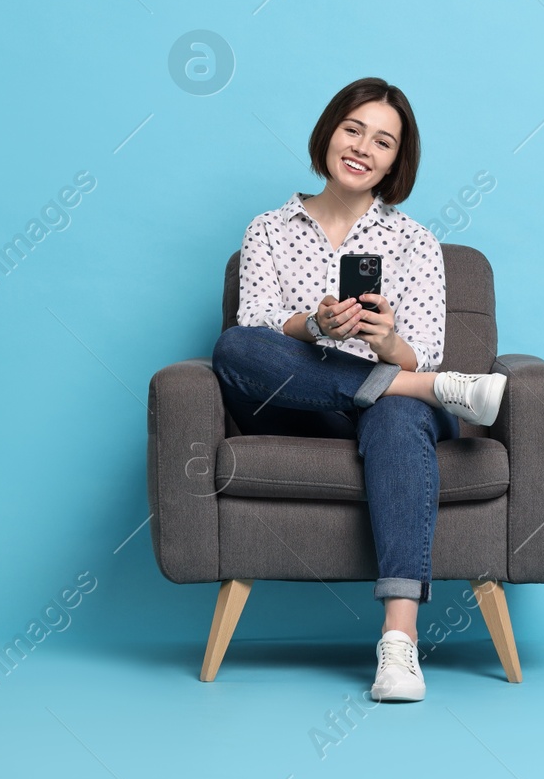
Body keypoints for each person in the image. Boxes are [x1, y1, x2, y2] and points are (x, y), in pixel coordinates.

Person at [210, 77, 506, 703]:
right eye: (353, 129)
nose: (363, 148)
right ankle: (435, 391)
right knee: (236, 346)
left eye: (384, 142)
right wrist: (314, 325)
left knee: (397, 411)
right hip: (295, 406)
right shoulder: (267, 228)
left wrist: (386, 341)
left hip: (385, 411)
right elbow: (255, 326)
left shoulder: (415, 243)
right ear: (328, 133)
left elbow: (420, 347)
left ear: (397, 161)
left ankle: (398, 644)